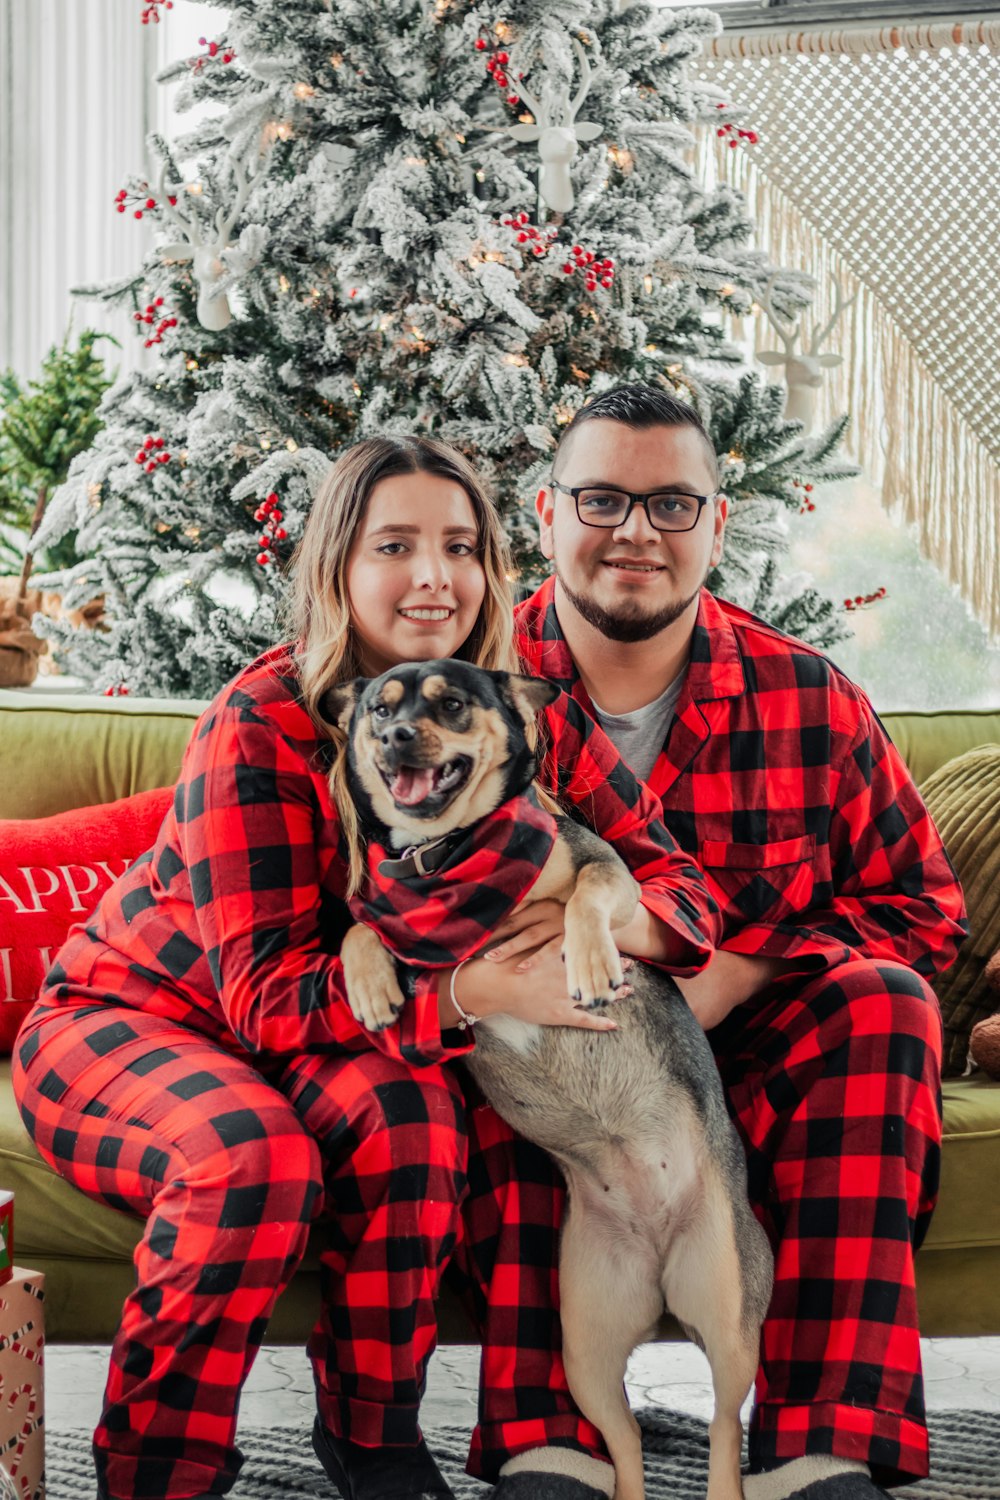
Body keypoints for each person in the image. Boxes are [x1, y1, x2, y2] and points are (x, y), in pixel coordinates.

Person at [12, 435, 722, 1500]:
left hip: (339, 1028)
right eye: (395, 545)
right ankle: (158, 1466)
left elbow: (682, 891)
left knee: (413, 1123)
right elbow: (262, 997)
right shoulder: (261, 721)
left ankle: (373, 1434)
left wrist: (601, 916)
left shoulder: (514, 713)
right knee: (253, 1160)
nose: (434, 576)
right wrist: (473, 992)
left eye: (460, 546)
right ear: (337, 568)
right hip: (139, 1019)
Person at [507, 383, 967, 1500]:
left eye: (671, 505)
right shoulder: (471, 694)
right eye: (602, 498)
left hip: (757, 1066)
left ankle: (820, 1448)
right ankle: (558, 1441)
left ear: (717, 524)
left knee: (887, 1000)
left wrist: (742, 969)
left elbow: (924, 912)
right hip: (545, 1056)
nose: (634, 532)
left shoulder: (808, 700)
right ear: (543, 514)